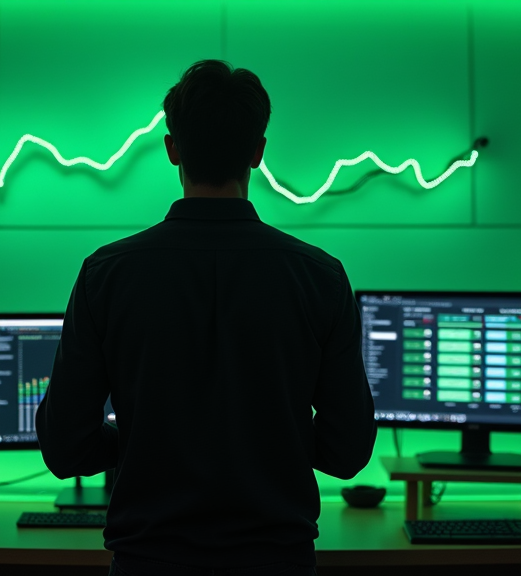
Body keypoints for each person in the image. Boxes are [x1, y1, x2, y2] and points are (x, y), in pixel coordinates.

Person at [37, 60, 376, 576]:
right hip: (277, 564)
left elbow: (65, 449)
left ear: (172, 148)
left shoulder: (106, 274)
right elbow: (348, 450)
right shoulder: (320, 277)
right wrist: (267, 437)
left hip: (148, 564)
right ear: (259, 153)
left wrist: (143, 440)